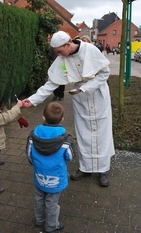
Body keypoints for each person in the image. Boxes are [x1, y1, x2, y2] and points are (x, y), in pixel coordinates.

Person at [23, 31, 115, 187]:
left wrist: (87, 87)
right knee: (84, 133)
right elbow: (51, 84)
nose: (58, 55)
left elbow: (104, 73)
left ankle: (103, 170)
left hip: (98, 94)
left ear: (67, 44)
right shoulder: (62, 58)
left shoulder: (90, 50)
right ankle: (85, 168)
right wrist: (32, 100)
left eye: (59, 51)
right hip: (80, 98)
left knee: (102, 133)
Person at [26, 101, 76, 233]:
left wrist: (36, 164)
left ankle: (39, 220)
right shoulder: (65, 138)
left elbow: (29, 154)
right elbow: (70, 156)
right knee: (52, 203)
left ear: (43, 117)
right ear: (62, 119)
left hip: (39, 174)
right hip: (56, 177)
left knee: (39, 198)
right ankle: (51, 226)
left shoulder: (33, 135)